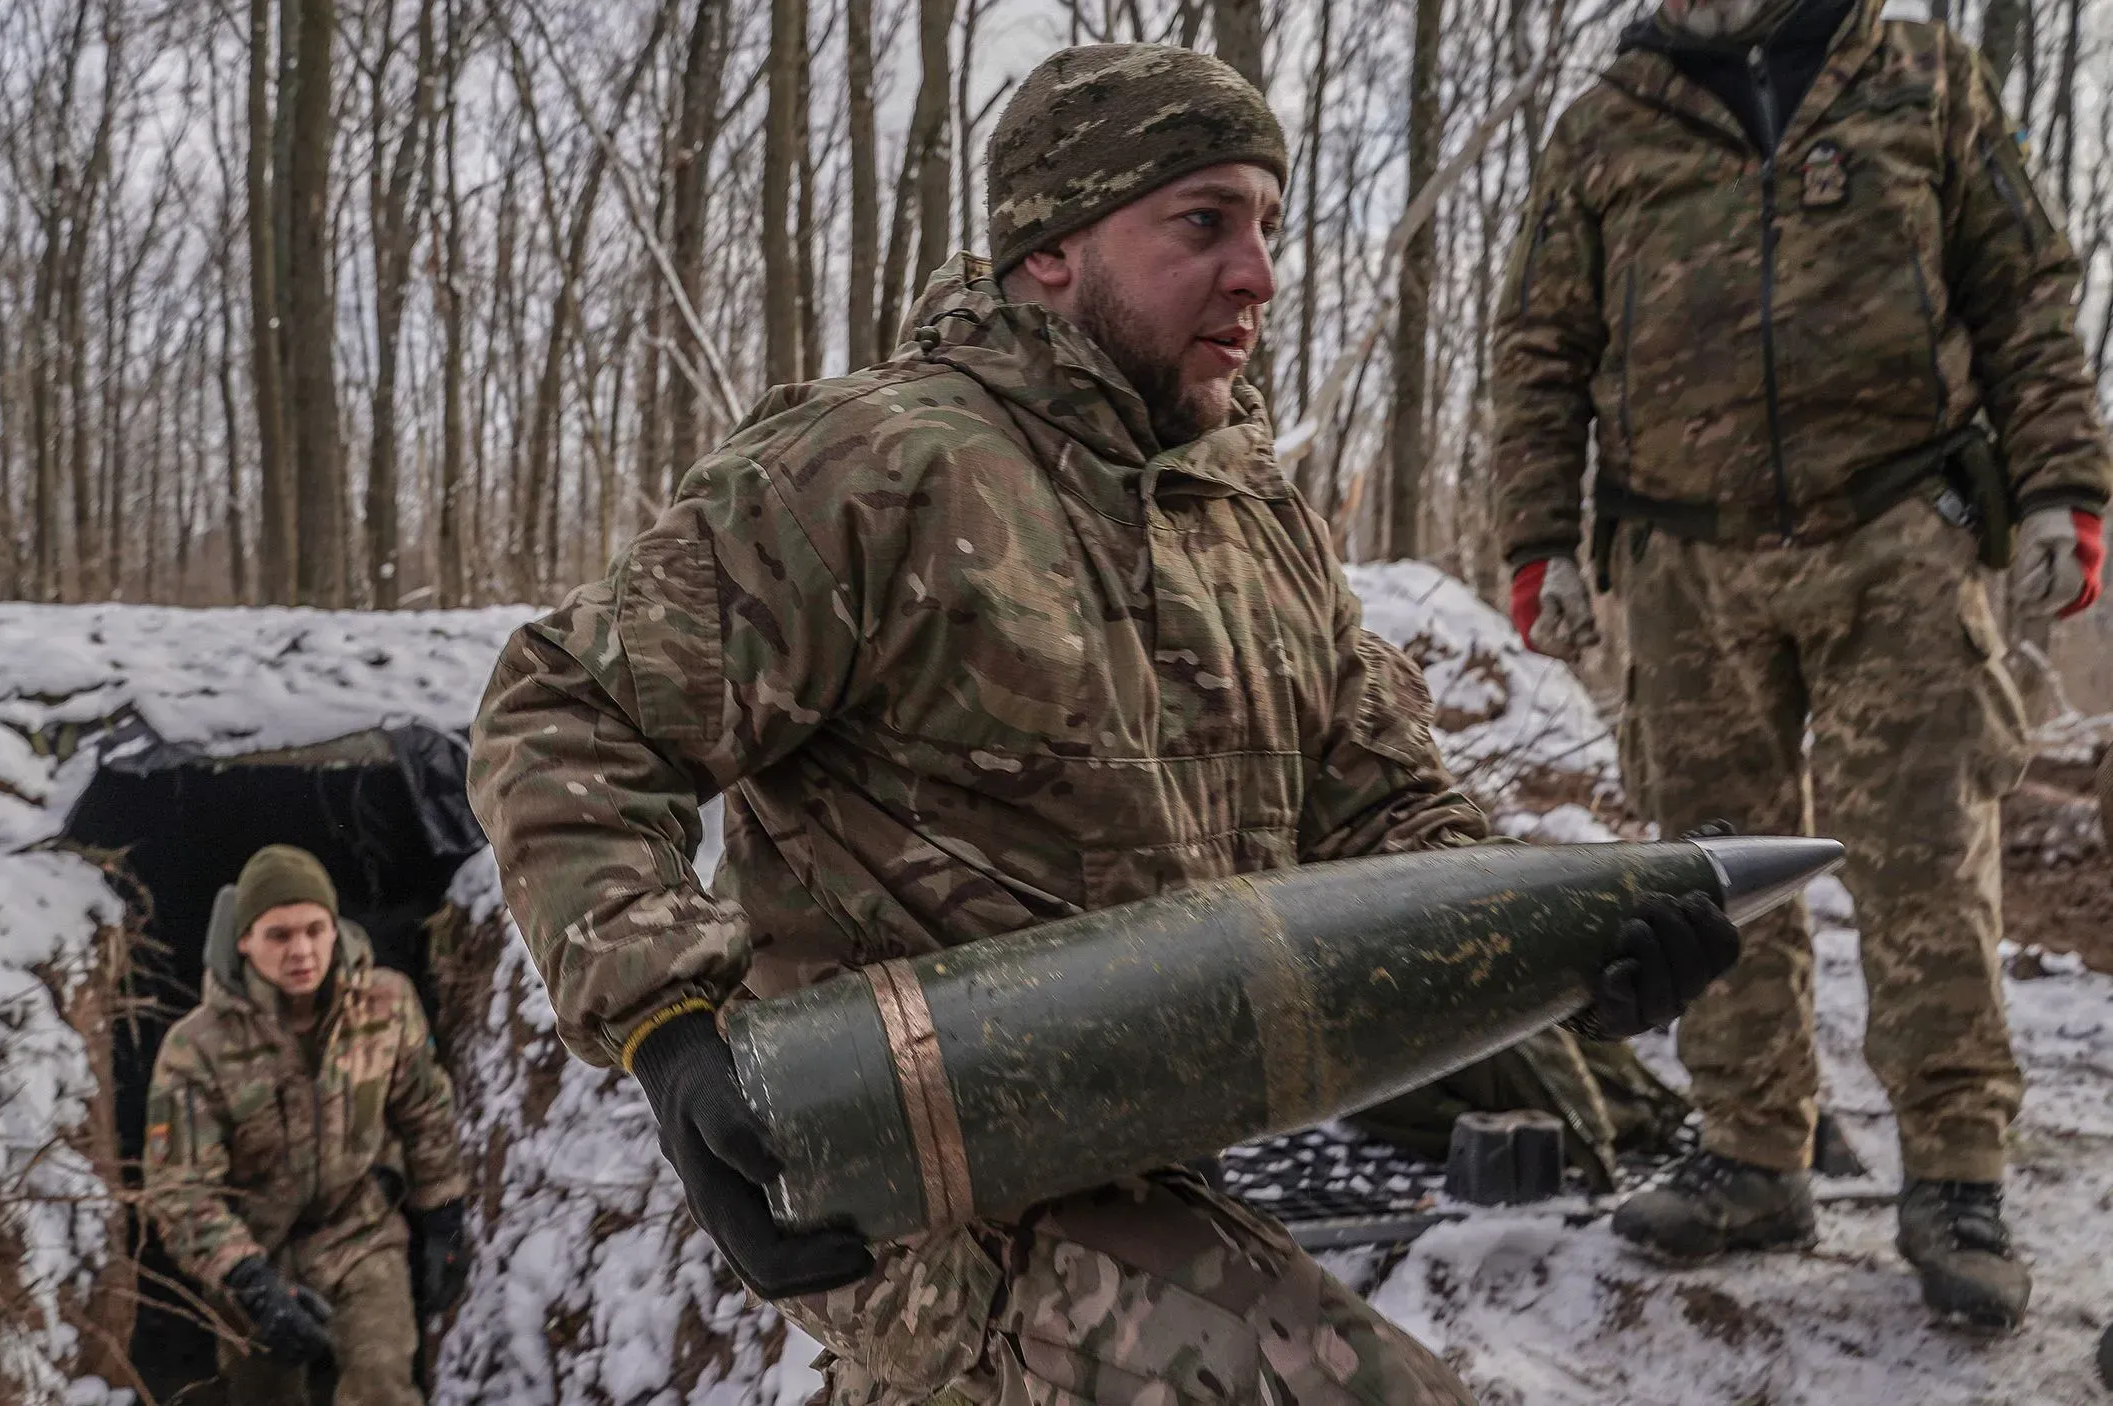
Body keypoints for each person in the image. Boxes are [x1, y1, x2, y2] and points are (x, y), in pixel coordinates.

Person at [470, 43, 1740, 1406]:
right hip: (910, 1178)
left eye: (1266, 226)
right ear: (1053, 248)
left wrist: (1554, 944)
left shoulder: (1256, 520)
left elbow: (1387, 815)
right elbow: (566, 715)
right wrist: (673, 1027)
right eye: (1204, 222)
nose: (1257, 273)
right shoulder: (879, 471)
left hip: (1147, 1147)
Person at [1493, 0, 2110, 1333]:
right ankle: (1752, 1150)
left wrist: (2064, 484)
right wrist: (1538, 539)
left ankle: (1955, 1173)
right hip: (1683, 552)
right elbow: (1543, 343)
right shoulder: (1605, 122)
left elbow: (2024, 290)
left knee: (1926, 847)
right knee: (1712, 860)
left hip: (1898, 525)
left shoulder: (1924, 79)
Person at [144, 844, 470, 1405]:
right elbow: (179, 1188)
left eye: (315, 929)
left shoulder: (386, 1003)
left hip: (360, 1230)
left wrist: (443, 1216)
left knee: (383, 1384)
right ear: (244, 940)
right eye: (279, 935)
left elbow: (424, 1109)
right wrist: (248, 1281)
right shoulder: (195, 1048)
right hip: (253, 1250)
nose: (302, 950)